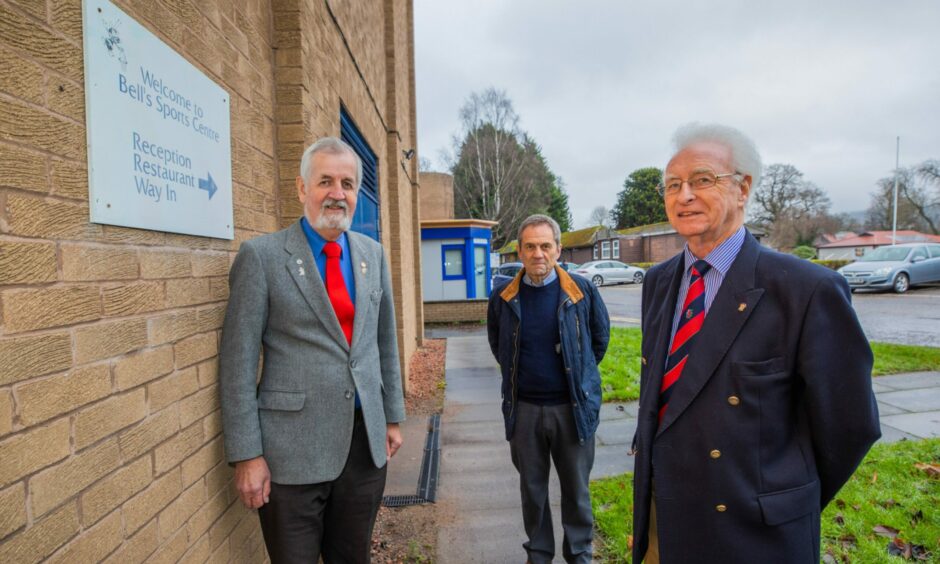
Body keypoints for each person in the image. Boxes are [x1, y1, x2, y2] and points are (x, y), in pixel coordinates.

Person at [631, 123, 880, 563]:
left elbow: (850, 424)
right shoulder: (659, 281)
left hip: (753, 536)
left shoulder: (807, 289)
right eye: (672, 184)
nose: (683, 195)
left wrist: (782, 499)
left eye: (702, 180)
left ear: (743, 188)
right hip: (665, 523)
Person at [219, 137, 406, 563]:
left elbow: (384, 342)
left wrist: (392, 416)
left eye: (347, 183)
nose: (337, 193)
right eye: (325, 181)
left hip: (364, 448)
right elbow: (237, 364)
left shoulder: (371, 255)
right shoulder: (262, 258)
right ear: (303, 188)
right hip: (290, 454)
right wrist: (247, 454)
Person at [487, 214, 610, 564]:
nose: (538, 253)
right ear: (520, 252)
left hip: (572, 410)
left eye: (545, 245)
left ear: (558, 249)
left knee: (577, 492)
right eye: (530, 246)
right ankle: (539, 555)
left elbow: (598, 341)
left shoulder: (582, 291)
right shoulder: (503, 297)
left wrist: (577, 378)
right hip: (524, 411)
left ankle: (579, 554)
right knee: (533, 491)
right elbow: (500, 346)